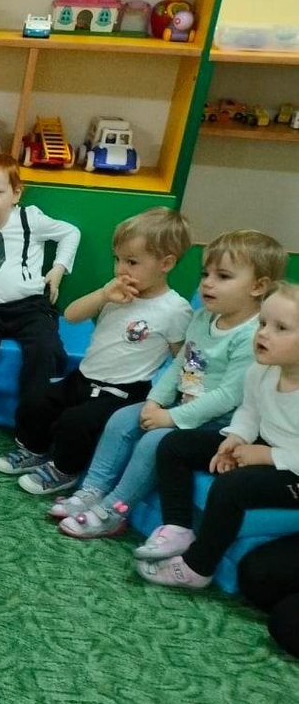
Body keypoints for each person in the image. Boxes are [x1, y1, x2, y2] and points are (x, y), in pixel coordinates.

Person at [56, 229, 279, 538]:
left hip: (220, 422)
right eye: (205, 274)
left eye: (223, 276)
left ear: (258, 287)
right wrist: (155, 401)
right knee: (121, 419)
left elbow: (228, 396)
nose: (207, 283)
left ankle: (115, 510)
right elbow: (183, 363)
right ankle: (91, 490)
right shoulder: (204, 318)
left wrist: (171, 417)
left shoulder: (251, 335)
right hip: (184, 404)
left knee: (154, 441)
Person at [0, 208, 192, 495]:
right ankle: (34, 450)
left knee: (77, 423)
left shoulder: (175, 309)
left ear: (166, 263)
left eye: (132, 262)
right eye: (117, 259)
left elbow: (180, 357)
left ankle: (64, 470)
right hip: (84, 378)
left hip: (122, 391)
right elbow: (72, 315)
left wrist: (177, 399)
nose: (121, 269)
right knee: (36, 401)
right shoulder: (114, 291)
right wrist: (103, 295)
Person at [138, 284, 299, 591]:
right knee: (175, 445)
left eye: (281, 328)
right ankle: (178, 526)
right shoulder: (260, 371)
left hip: (293, 468)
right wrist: (236, 438)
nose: (263, 334)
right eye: (263, 323)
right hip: (266, 447)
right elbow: (251, 411)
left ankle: (198, 567)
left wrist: (268, 456)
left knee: (232, 487)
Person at [0, 153, 81, 445]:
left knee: (44, 349)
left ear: (16, 194)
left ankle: (33, 417)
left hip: (29, 306)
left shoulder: (30, 218)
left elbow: (71, 233)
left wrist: (57, 270)